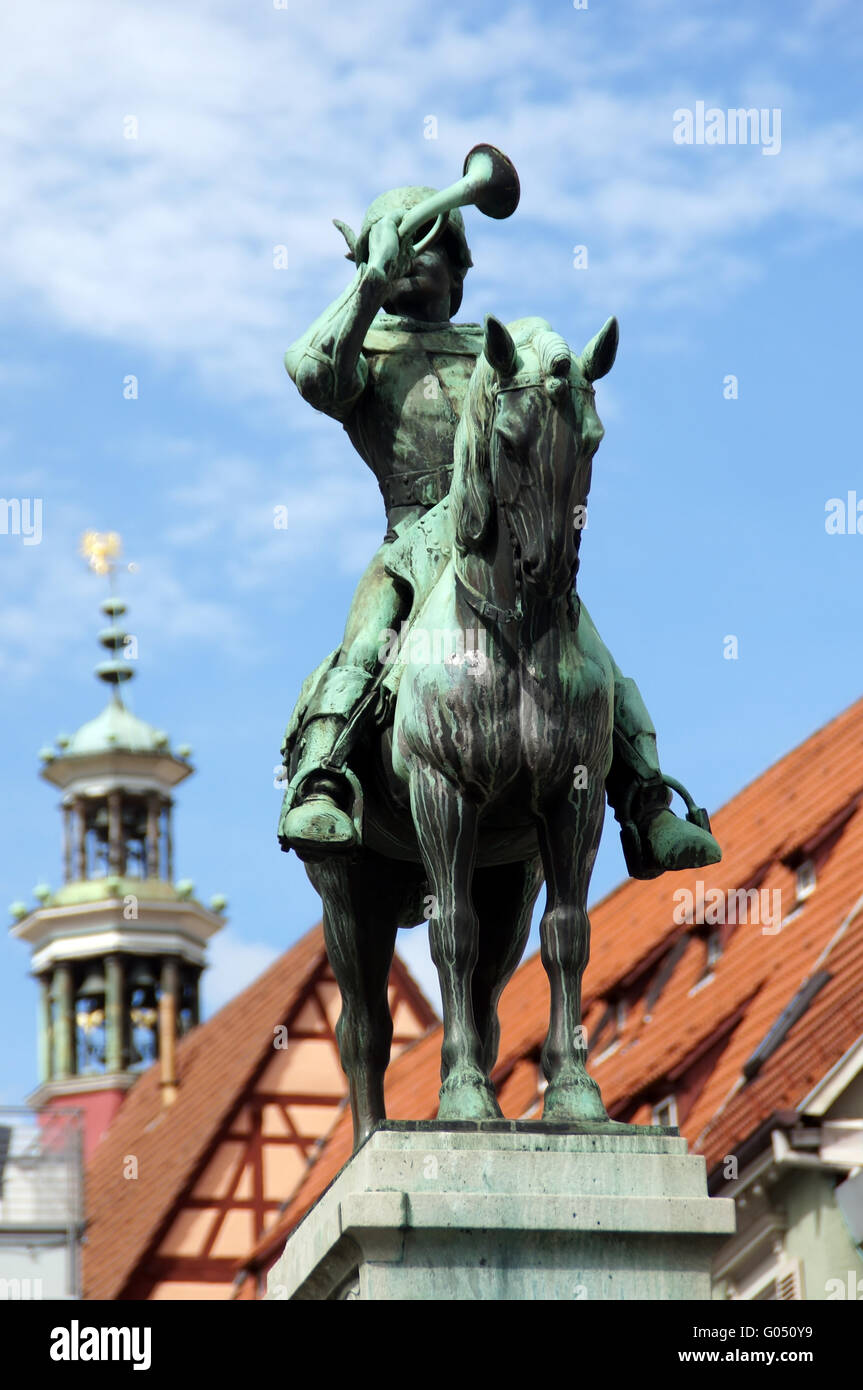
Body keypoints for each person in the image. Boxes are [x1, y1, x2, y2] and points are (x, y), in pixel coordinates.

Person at [278, 184, 720, 880]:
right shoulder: (366, 347)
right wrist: (368, 280)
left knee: (592, 656)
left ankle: (645, 800)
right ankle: (322, 780)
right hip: (410, 544)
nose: (410, 254)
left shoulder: (492, 349)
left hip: (503, 543)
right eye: (396, 242)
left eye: (427, 240)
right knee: (367, 642)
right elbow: (309, 371)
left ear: (458, 261)